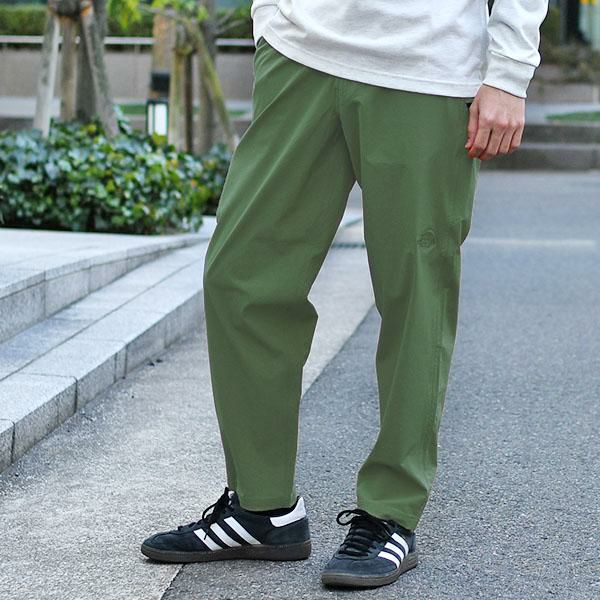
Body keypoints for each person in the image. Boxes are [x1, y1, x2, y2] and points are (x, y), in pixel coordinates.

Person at [141, 0, 548, 589]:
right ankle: (262, 507)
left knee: (416, 297)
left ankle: (390, 514)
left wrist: (508, 71)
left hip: (425, 65)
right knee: (240, 276)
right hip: (299, 50)